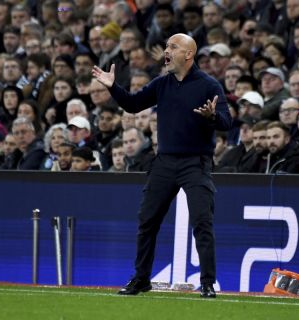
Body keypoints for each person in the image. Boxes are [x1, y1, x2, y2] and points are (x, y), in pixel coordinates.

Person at [92, 33, 232, 298]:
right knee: (147, 221)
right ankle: (141, 279)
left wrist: (212, 116)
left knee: (202, 222)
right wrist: (112, 87)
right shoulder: (161, 84)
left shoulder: (209, 85)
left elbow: (227, 122)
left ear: (188, 54)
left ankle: (207, 283)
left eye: (172, 47)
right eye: (166, 46)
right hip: (165, 162)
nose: (166, 51)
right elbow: (133, 105)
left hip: (196, 163)